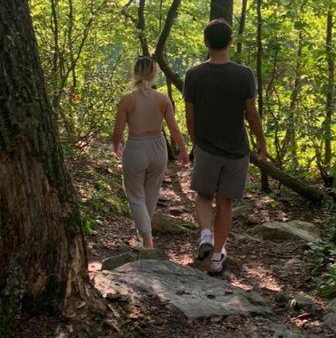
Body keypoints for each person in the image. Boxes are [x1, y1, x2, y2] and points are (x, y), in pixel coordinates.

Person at [184, 19, 267, 275]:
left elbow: (190, 115)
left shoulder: (194, 74)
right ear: (231, 42)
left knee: (203, 195)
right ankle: (218, 256)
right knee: (225, 202)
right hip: (237, 150)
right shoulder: (244, 75)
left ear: (206, 42)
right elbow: (251, 115)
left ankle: (206, 235)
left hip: (207, 147)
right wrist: (261, 142)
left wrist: (196, 143)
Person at [113, 56, 189, 248]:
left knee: (135, 195)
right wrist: (183, 150)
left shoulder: (127, 100)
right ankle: (145, 237)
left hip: (136, 147)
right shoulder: (163, 99)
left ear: (135, 72)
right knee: (151, 193)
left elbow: (118, 130)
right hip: (158, 148)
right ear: (154, 74)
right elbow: (174, 129)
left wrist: (115, 145)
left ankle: (147, 239)